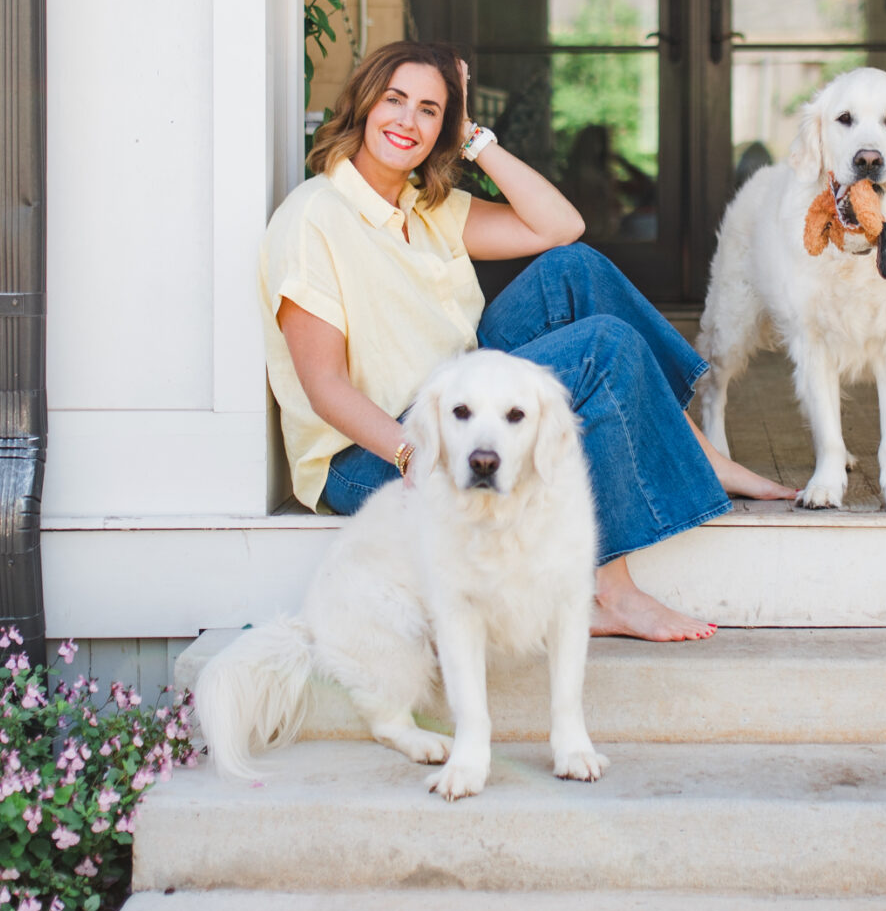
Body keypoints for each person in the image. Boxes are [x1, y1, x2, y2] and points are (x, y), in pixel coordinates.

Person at [259, 39, 795, 641]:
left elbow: (561, 225)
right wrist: (420, 456)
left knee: (576, 267)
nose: (408, 121)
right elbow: (324, 386)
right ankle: (609, 592)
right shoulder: (315, 218)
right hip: (373, 458)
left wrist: (475, 138)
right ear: (364, 104)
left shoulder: (427, 207)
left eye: (431, 111)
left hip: (460, 398)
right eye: (395, 100)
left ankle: (700, 452)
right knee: (604, 347)